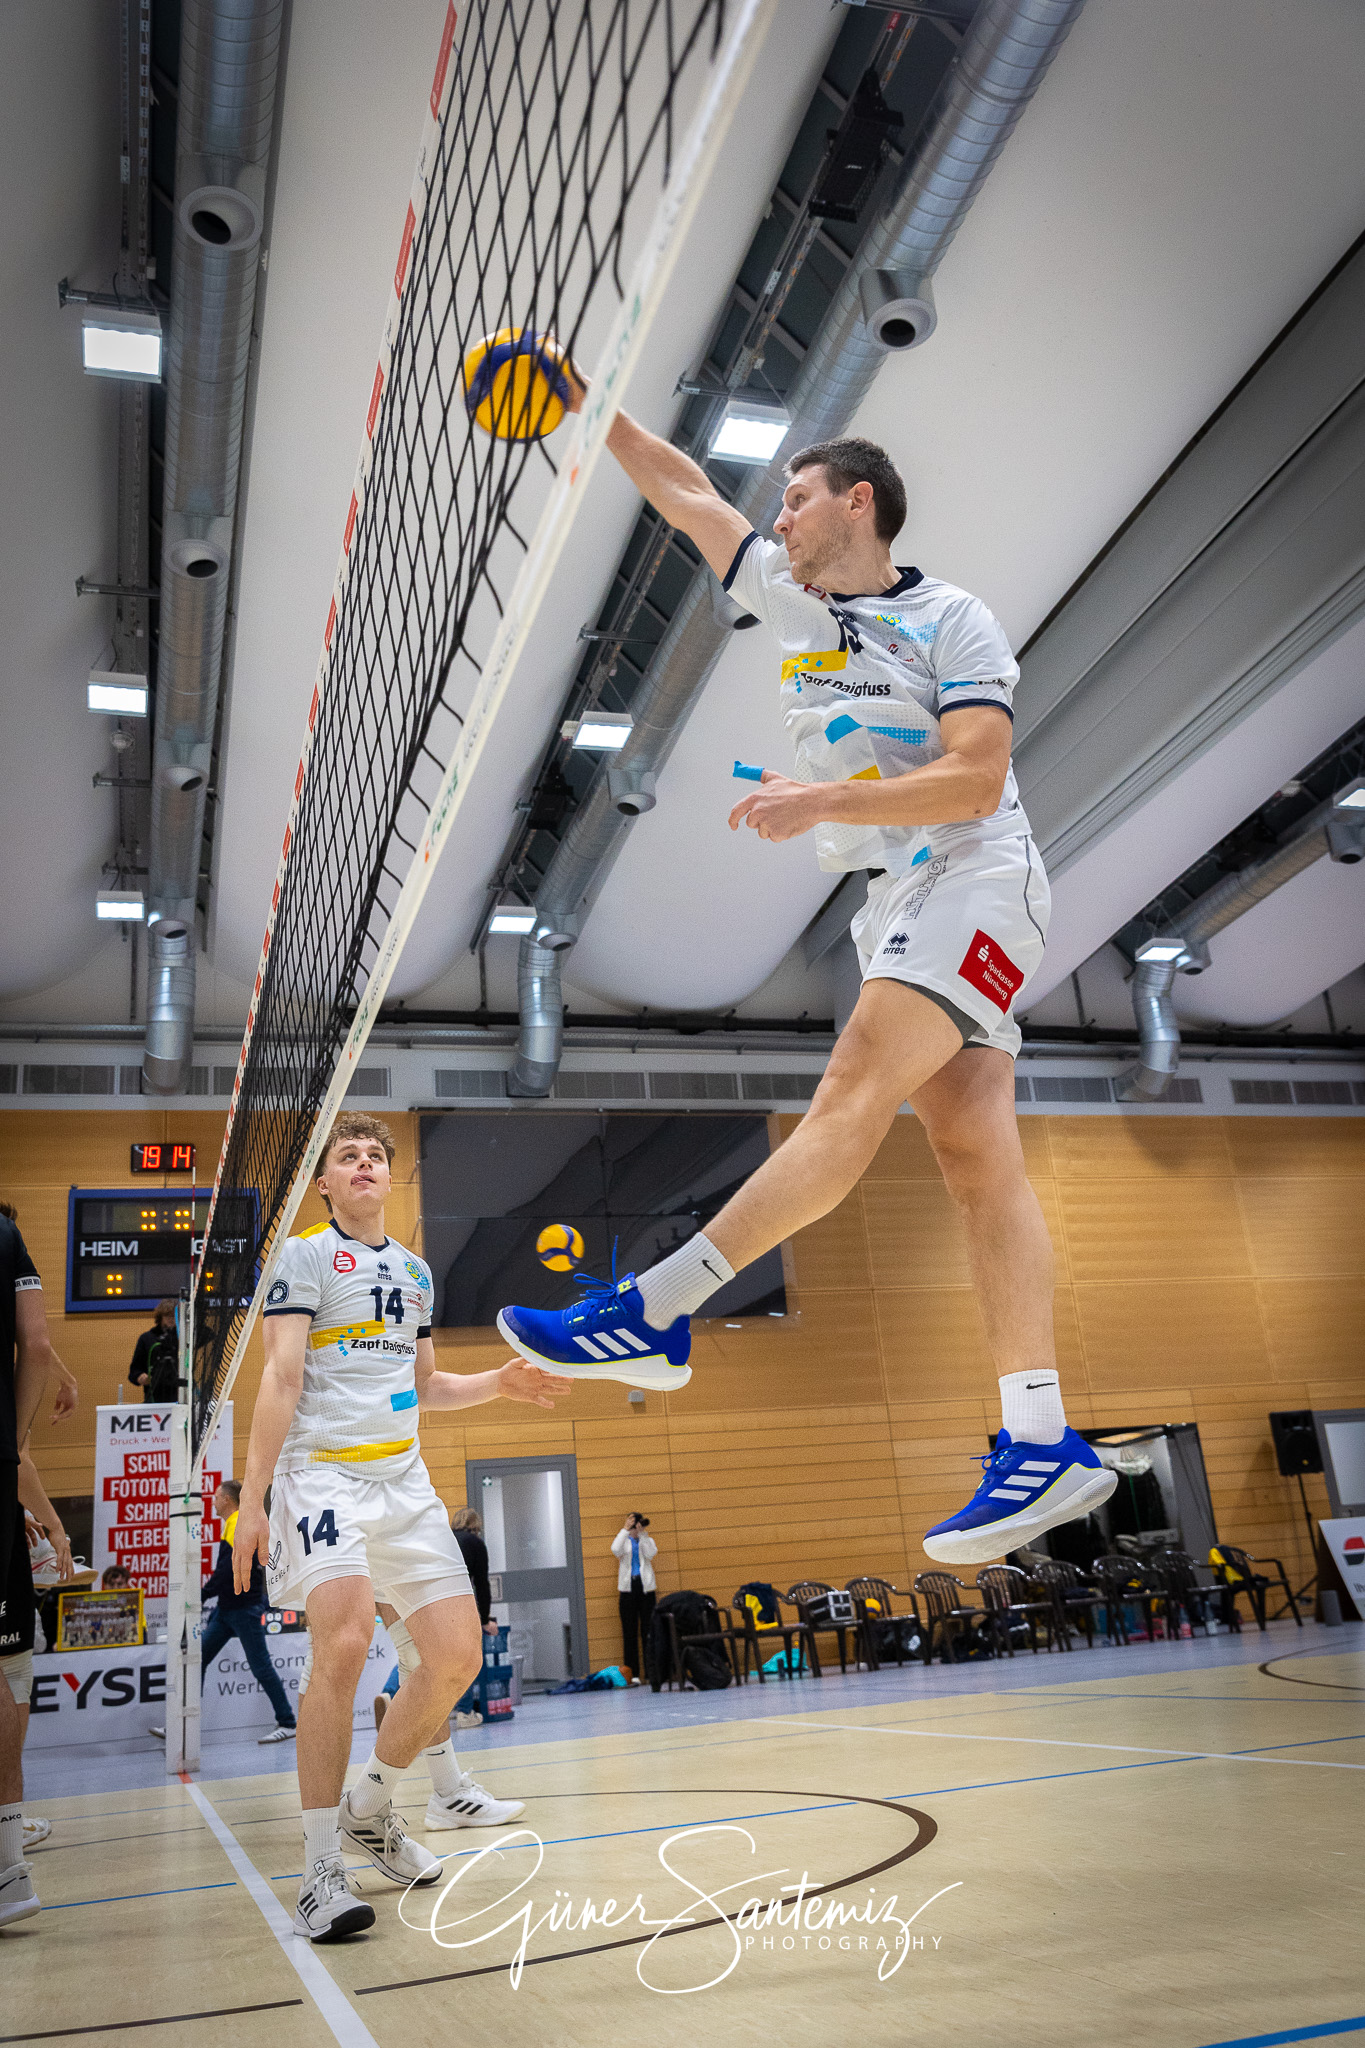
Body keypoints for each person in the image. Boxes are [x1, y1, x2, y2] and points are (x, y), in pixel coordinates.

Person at [497, 390, 1117, 1568]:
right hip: (900, 896)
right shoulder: (793, 596)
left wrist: (823, 797)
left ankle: (655, 1309)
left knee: (852, 1087)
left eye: (795, 498)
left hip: (976, 871)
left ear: (857, 502)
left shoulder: (952, 620)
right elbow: (688, 493)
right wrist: (586, 406)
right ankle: (1041, 1437)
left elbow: (978, 779)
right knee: (974, 1153)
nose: (777, 518)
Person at [232, 1111, 572, 1943]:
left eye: (374, 1156)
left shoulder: (416, 1272)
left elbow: (424, 1386)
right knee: (345, 1645)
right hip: (322, 1474)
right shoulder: (305, 1256)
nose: (363, 1164)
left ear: (391, 1177)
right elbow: (280, 1377)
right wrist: (252, 1500)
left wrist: (498, 1383)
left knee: (455, 1658)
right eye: (347, 1156)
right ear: (325, 1183)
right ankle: (319, 1869)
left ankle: (369, 1806)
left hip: (402, 1480)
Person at [0, 1204, 57, 1929]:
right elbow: (36, 1345)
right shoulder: (7, 1236)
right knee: (8, 1668)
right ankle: (7, 1863)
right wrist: (10, 1449)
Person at [198, 1479, 297, 1744]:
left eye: (216, 1497)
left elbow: (227, 1569)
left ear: (227, 1499)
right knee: (199, 1659)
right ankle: (184, 1723)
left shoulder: (237, 1522)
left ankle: (287, 1722)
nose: (213, 1502)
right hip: (226, 1610)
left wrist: (203, 1594)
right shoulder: (231, 1524)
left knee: (261, 1667)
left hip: (244, 1609)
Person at [611, 1512, 656, 1684]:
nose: (635, 1526)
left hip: (646, 1590)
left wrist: (642, 1534)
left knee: (648, 1632)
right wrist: (625, 1529)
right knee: (629, 1633)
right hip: (628, 1589)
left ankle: (651, 1672)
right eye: (633, 1522)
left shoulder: (646, 1540)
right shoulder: (624, 1541)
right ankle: (633, 1674)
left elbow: (651, 1553)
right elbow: (615, 1549)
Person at [128, 1300, 178, 1403]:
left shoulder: (185, 1338)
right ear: (160, 1317)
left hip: (180, 1396)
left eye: (174, 1316)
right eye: (167, 1315)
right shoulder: (146, 1339)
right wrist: (141, 1377)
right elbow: (134, 1371)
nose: (171, 1319)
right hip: (154, 1397)